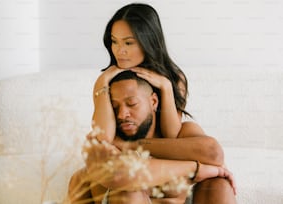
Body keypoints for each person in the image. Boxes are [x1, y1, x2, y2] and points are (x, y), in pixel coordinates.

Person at [68, 71, 237, 204]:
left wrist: (133, 145)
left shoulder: (179, 136)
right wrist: (197, 169)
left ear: (154, 101)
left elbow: (213, 153)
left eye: (132, 104)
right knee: (128, 192)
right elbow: (126, 175)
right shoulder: (105, 142)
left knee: (219, 184)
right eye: (115, 107)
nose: (122, 114)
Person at [93, 3, 187, 143]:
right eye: (114, 41)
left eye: (128, 43)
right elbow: (103, 137)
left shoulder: (174, 78)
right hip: (123, 155)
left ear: (148, 42)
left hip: (162, 152)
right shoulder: (107, 81)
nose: (119, 51)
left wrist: (166, 87)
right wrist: (102, 81)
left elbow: (172, 136)